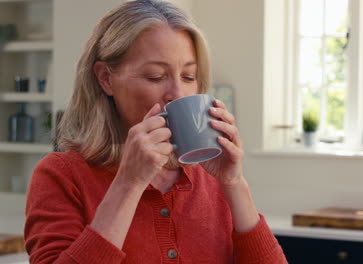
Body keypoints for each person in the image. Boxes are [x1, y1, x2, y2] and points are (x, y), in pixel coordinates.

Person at [24, 0, 288, 263]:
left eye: (188, 77)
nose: (177, 94)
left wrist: (234, 184)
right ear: (105, 78)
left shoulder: (212, 178)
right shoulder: (61, 175)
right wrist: (129, 183)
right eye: (155, 76)